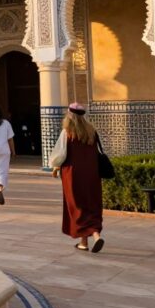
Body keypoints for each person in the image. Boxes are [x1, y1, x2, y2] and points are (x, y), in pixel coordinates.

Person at [49, 103, 105, 253]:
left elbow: (60, 155)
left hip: (73, 175)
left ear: (70, 116)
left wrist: (55, 167)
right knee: (91, 203)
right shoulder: (92, 132)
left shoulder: (67, 132)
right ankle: (90, 238)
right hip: (92, 174)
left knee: (77, 206)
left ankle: (91, 236)